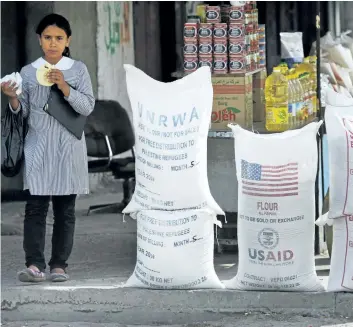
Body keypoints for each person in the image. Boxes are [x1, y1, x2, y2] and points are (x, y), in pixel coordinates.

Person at [0, 14, 95, 283]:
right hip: (38, 147)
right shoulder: (29, 72)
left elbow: (87, 107)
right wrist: (13, 99)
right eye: (47, 37)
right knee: (36, 208)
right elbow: (24, 113)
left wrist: (64, 86)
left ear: (68, 41)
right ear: (40, 40)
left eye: (58, 38)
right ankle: (34, 265)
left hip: (69, 148)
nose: (53, 43)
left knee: (65, 210)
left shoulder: (78, 70)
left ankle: (59, 266)